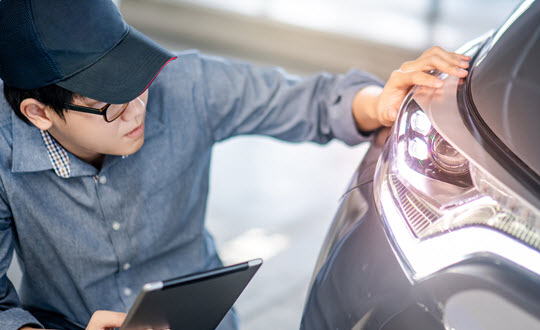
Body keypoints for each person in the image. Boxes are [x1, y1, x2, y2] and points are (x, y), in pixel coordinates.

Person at [0, 0, 470, 329]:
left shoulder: (185, 84)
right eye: (113, 106)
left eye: (137, 80)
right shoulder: (4, 160)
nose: (139, 107)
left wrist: (379, 103)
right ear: (39, 113)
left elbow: (310, 101)